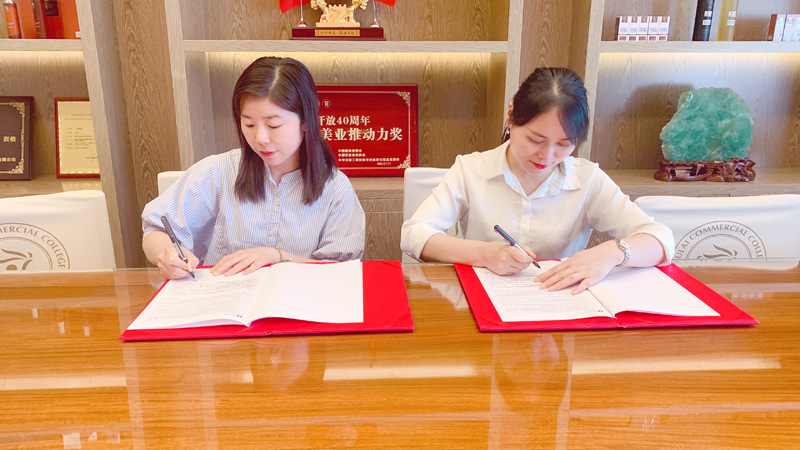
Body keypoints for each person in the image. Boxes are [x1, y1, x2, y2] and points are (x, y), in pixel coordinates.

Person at [400, 67, 674, 294]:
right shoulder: (471, 170)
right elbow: (414, 234)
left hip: (560, 307)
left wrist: (613, 252)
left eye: (564, 144)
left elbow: (661, 239)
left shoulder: (587, 179)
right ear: (510, 116)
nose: (546, 155)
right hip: (483, 303)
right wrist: (484, 254)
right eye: (535, 139)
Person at [142, 56, 365, 279]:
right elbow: (155, 229)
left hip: (300, 298)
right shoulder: (218, 171)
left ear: (306, 120)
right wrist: (167, 253)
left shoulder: (335, 189)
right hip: (224, 296)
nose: (260, 138)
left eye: (274, 125)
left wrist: (277, 256)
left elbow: (342, 271)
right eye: (248, 123)